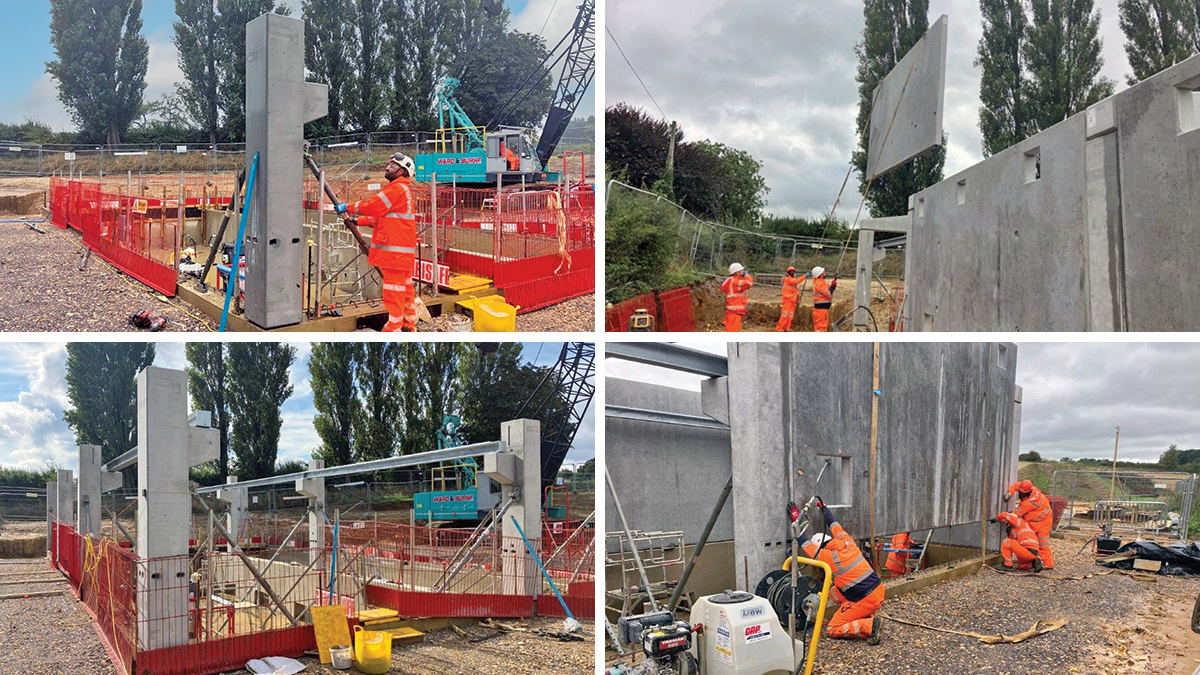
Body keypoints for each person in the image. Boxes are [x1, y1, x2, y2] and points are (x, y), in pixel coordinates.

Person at [335, 152, 419, 332]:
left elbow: (373, 206)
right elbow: (379, 218)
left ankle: (394, 328)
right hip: (401, 253)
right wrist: (358, 221)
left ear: (403, 172)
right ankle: (407, 324)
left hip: (395, 254)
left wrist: (348, 207)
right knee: (405, 289)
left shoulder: (397, 189)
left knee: (393, 291)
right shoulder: (400, 190)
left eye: (393, 166)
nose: (388, 168)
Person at [793, 499, 884, 644]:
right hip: (878, 589)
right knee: (834, 591)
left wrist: (795, 521)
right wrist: (824, 509)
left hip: (866, 599)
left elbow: (805, 545)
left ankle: (869, 626)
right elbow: (834, 525)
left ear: (821, 547)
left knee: (832, 628)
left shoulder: (828, 557)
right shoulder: (848, 541)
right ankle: (859, 613)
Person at [1007, 480, 1054, 569]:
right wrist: (1010, 492)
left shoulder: (1031, 502)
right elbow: (1016, 485)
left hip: (1043, 522)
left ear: (1026, 493)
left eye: (1020, 493)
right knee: (1028, 541)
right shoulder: (1029, 488)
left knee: (1042, 543)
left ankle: (1048, 565)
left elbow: (1017, 513)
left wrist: (1004, 517)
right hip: (1034, 521)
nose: (1019, 494)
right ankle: (1028, 563)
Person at [721, 263, 753, 332]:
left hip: (733, 313)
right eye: (741, 270)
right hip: (735, 313)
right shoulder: (735, 282)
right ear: (737, 272)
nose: (743, 271)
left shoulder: (731, 280)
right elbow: (749, 283)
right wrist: (747, 275)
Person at [775, 265, 807, 332]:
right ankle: (778, 330)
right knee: (784, 316)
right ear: (788, 273)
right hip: (787, 301)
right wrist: (805, 276)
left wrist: (797, 298)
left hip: (792, 300)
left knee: (790, 316)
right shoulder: (788, 279)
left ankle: (787, 329)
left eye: (793, 271)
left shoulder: (792, 279)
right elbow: (796, 281)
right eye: (791, 271)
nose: (792, 273)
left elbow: (794, 290)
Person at [810, 266, 838, 332]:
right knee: (821, 329)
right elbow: (828, 294)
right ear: (821, 275)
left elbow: (826, 292)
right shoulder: (821, 283)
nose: (825, 273)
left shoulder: (819, 282)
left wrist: (832, 285)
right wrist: (833, 286)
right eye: (823, 272)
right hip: (821, 311)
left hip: (820, 310)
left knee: (819, 328)